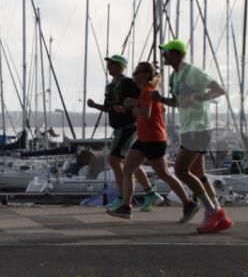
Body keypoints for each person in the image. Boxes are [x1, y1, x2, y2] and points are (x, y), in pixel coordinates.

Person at [153, 39, 233, 233]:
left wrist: (198, 98)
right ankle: (220, 214)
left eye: (167, 52)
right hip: (188, 128)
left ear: (178, 54)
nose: (164, 55)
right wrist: (162, 99)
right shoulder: (174, 76)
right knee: (199, 173)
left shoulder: (193, 72)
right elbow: (179, 102)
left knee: (180, 171)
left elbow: (219, 90)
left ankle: (211, 211)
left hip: (200, 128)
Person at [106, 62, 196, 221]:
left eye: (137, 72)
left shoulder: (148, 91)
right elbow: (147, 111)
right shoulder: (144, 92)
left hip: (154, 139)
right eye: (134, 72)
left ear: (146, 75)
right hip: (144, 138)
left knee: (164, 174)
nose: (133, 75)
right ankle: (126, 207)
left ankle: (188, 203)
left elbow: (145, 113)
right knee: (128, 169)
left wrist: (132, 107)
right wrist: (133, 104)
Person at [86, 54, 162, 211]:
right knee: (129, 163)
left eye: (112, 64)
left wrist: (127, 107)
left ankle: (123, 198)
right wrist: (95, 106)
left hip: (129, 127)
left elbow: (140, 98)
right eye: (108, 64)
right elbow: (110, 107)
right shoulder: (110, 86)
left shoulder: (127, 82)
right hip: (118, 128)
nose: (109, 66)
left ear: (120, 66)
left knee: (113, 160)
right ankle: (150, 193)